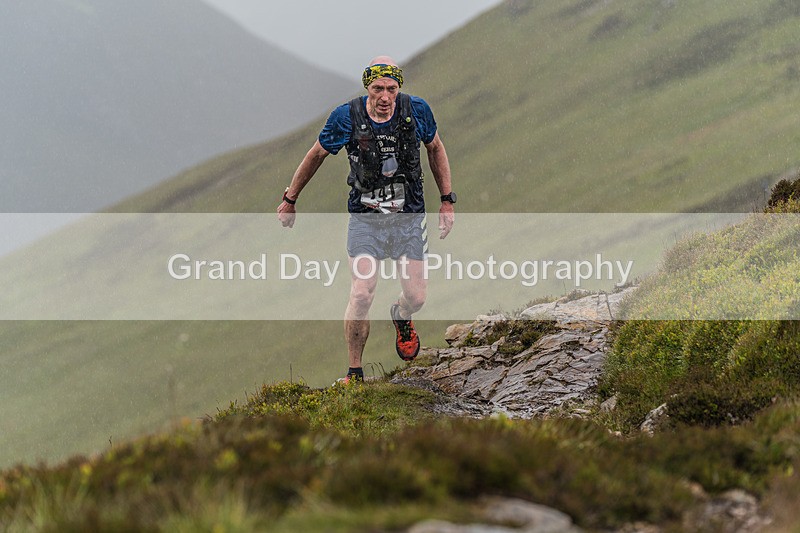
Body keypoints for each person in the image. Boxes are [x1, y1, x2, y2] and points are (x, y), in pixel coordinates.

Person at [277, 56, 456, 383]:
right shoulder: (346, 117)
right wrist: (291, 198)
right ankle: (355, 372)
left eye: (391, 88)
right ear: (367, 88)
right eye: (377, 89)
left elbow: (435, 148)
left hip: (409, 219)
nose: (385, 96)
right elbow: (315, 155)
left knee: (417, 297)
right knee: (361, 293)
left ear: (399, 87)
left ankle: (401, 316)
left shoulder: (417, 111)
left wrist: (446, 200)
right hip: (365, 219)